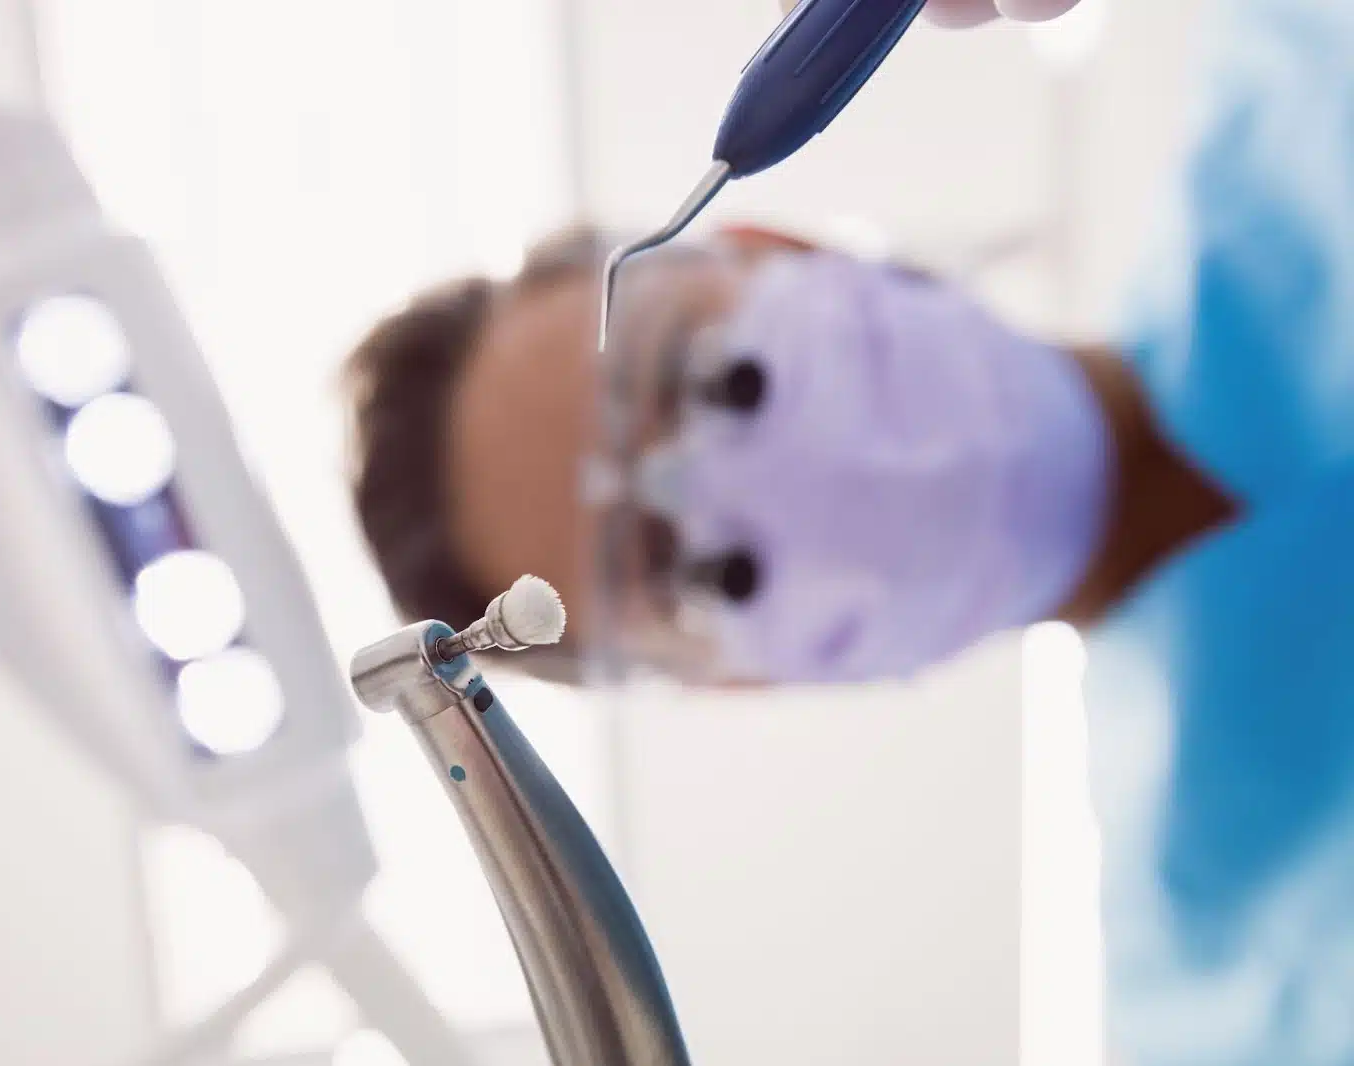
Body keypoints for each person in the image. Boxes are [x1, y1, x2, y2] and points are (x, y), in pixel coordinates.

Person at [346, 0, 1354, 1060]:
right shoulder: (1225, 1005)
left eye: (709, 378)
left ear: (770, 243)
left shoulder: (1306, 52)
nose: (770, 483)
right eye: (682, 568)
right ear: (742, 682)